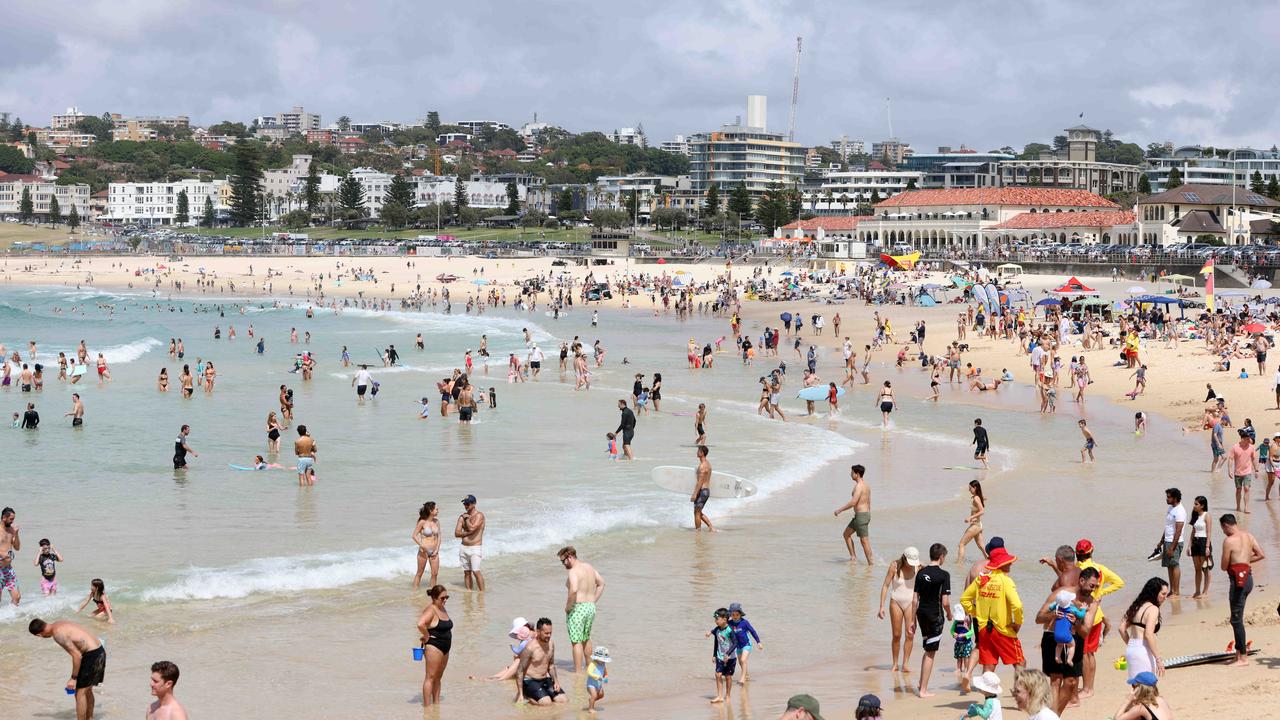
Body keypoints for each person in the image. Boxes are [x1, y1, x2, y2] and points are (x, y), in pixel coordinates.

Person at [961, 545, 1025, 672]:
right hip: (1003, 628)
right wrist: (1018, 622)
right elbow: (1017, 606)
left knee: (989, 664)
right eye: (1008, 562)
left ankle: (988, 691)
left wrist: (975, 612)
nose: (1010, 565)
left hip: (984, 628)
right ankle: (1020, 690)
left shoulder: (982, 579)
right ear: (1002, 564)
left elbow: (964, 599)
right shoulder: (1006, 581)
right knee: (1020, 662)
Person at [29, 618, 106, 720]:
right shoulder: (59, 623)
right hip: (100, 651)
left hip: (92, 655)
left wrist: (73, 678)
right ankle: (89, 718)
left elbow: (77, 656)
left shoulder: (57, 634)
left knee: (79, 693)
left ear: (39, 635)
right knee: (86, 691)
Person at [1219, 513, 1265, 666]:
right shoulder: (1249, 536)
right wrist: (1245, 560)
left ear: (1226, 525)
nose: (1223, 532)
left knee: (1236, 620)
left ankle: (1243, 658)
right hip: (1248, 579)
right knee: (1236, 618)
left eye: (1223, 529)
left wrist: (1238, 561)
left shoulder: (1229, 541)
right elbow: (1261, 554)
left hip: (1238, 582)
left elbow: (1224, 566)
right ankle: (1238, 654)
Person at [912, 543, 952, 697]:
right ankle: (923, 690)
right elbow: (945, 602)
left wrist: (912, 620)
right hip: (935, 615)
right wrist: (949, 614)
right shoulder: (944, 575)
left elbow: (915, 599)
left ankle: (921, 683)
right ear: (941, 557)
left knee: (928, 648)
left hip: (921, 614)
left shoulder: (920, 573)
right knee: (931, 652)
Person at [559, 545, 606, 672]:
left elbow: (574, 589)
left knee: (576, 641)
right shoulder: (589, 567)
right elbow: (601, 584)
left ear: (569, 557)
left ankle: (578, 672)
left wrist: (568, 607)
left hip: (577, 608)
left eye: (563, 561)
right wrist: (593, 601)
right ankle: (590, 667)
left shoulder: (573, 571)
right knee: (586, 638)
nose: (563, 564)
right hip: (590, 607)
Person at [877, 546, 921, 672]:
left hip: (911, 603)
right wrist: (881, 606)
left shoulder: (919, 567)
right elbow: (885, 586)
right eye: (910, 562)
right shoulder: (894, 566)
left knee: (910, 634)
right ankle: (895, 663)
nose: (912, 564)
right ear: (904, 558)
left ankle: (905, 664)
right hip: (896, 601)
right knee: (896, 635)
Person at [1118, 577, 1168, 680]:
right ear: (1154, 593)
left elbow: (1121, 628)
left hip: (1131, 650)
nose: (1165, 597)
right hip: (1144, 651)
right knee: (1148, 687)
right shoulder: (1153, 609)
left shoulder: (1137, 605)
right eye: (1163, 594)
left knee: (1136, 686)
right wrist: (1158, 659)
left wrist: (1131, 644)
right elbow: (1148, 635)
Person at [416, 585, 453, 706]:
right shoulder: (431, 609)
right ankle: (427, 708)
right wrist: (426, 636)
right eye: (442, 598)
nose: (445, 600)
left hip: (445, 647)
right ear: (434, 597)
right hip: (434, 646)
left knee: (438, 677)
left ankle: (436, 706)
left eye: (446, 597)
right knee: (430, 677)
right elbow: (420, 624)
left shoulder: (442, 608)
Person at [516, 618, 566, 705]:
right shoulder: (530, 648)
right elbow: (520, 671)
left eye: (550, 633)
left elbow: (551, 665)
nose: (549, 635)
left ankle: (542, 694)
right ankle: (526, 695)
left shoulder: (551, 644)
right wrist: (520, 693)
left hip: (545, 680)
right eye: (546, 633)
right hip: (530, 681)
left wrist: (556, 681)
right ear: (538, 631)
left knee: (564, 700)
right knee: (546, 703)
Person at [834, 464, 873, 565]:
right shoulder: (866, 485)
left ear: (857, 474)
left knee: (864, 542)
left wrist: (840, 510)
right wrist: (868, 514)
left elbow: (853, 503)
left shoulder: (859, 487)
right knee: (846, 534)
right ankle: (853, 557)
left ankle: (871, 564)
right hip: (862, 515)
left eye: (852, 472)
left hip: (861, 516)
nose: (850, 474)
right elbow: (869, 501)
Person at [1159, 488, 1186, 596]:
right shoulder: (1170, 508)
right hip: (1167, 540)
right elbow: (1168, 526)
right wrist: (1161, 541)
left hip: (1175, 542)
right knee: (1169, 566)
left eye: (1169, 497)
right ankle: (1172, 590)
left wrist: (1172, 547)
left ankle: (1177, 591)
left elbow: (1178, 531)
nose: (1167, 499)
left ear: (1175, 498)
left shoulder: (1180, 510)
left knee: (1175, 565)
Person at [707, 608, 737, 704]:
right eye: (715, 619)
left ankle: (727, 695)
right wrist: (714, 655)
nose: (715, 621)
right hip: (720, 656)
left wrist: (728, 654)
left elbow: (735, 643)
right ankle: (719, 696)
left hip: (730, 657)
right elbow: (716, 642)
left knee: (728, 676)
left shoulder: (729, 630)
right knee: (718, 674)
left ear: (724, 619)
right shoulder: (717, 630)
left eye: (717, 619)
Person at [456, 494, 486, 591]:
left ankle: (482, 593)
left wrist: (466, 519)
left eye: (468, 504)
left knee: (476, 571)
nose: (466, 506)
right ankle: (468, 593)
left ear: (474, 503)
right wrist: (468, 533)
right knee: (467, 572)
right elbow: (456, 533)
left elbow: (472, 527)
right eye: (464, 504)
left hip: (475, 547)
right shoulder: (462, 516)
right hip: (463, 547)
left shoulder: (479, 515)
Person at [1187, 496, 1213, 598]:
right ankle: (1197, 591)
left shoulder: (1207, 515)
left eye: (1196, 504)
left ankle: (1205, 592)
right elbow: (1193, 532)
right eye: (1194, 504)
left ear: (1202, 505)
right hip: (1195, 542)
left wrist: (1207, 547)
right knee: (1197, 569)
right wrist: (1189, 546)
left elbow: (1209, 532)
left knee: (1205, 568)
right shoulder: (1195, 516)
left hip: (1203, 542)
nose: (1194, 506)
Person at [1227, 429, 1258, 513]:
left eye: (1250, 439)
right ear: (1243, 439)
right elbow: (1230, 459)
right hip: (1238, 472)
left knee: (1247, 488)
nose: (1250, 440)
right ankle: (1238, 506)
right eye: (1248, 439)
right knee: (1238, 489)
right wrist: (1229, 470)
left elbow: (1254, 459)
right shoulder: (1235, 447)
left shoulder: (1251, 447)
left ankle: (1246, 507)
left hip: (1247, 472)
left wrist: (1257, 470)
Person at [957, 480, 987, 563]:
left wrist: (970, 517)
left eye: (970, 488)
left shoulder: (976, 498)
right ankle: (991, 561)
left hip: (975, 526)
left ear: (975, 488)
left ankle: (959, 564)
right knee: (981, 547)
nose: (969, 490)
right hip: (978, 525)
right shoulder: (977, 497)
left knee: (961, 544)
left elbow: (982, 511)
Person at [413, 502, 441, 589]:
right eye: (436, 509)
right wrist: (422, 546)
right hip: (423, 551)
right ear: (430, 510)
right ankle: (414, 593)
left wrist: (437, 550)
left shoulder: (437, 521)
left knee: (435, 574)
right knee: (419, 573)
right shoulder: (422, 522)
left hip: (434, 551)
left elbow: (439, 536)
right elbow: (414, 535)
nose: (438, 511)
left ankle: (433, 594)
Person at [952, 603, 976, 692]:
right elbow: (952, 630)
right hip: (958, 642)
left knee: (966, 656)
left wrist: (965, 635)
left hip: (967, 643)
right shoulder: (956, 622)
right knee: (959, 657)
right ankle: (958, 668)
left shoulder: (969, 621)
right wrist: (953, 634)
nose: (959, 621)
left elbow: (972, 631)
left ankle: (966, 669)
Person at [692, 445, 715, 532]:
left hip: (702, 491)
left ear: (702, 453)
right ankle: (711, 527)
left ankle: (698, 531)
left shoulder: (702, 466)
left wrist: (695, 494)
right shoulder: (708, 464)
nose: (696, 452)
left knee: (697, 513)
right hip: (705, 491)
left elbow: (700, 482)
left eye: (698, 451)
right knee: (698, 512)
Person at [1, 507, 20, 605]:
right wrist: (2, 554)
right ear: (4, 517)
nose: (13, 521)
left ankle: (11, 618)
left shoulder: (12, 530)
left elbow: (17, 547)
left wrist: (16, 534)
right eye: (11, 519)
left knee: (17, 597)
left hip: (8, 569)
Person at [586, 646, 611, 713]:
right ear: (597, 658)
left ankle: (591, 701)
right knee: (594, 695)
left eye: (604, 660)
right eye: (602, 660)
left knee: (601, 695)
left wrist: (606, 677)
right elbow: (589, 672)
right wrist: (597, 677)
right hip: (591, 684)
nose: (603, 661)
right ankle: (591, 708)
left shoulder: (603, 664)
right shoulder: (593, 663)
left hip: (599, 684)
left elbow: (605, 673)